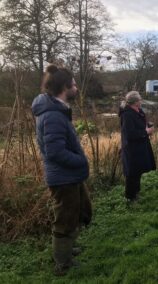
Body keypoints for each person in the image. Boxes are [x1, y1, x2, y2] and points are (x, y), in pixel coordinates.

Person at [32, 65, 92, 276]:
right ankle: (62, 263)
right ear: (65, 87)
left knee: (78, 212)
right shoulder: (53, 115)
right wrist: (80, 160)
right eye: (74, 85)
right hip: (62, 178)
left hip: (69, 175)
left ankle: (67, 250)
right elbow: (55, 152)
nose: (76, 88)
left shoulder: (57, 110)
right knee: (64, 219)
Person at [119, 91, 156, 203]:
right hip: (132, 148)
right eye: (139, 99)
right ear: (135, 102)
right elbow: (129, 134)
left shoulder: (138, 111)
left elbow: (138, 126)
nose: (141, 101)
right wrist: (145, 132)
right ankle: (130, 197)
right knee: (132, 173)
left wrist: (146, 126)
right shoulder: (127, 115)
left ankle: (136, 193)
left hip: (140, 146)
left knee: (138, 171)